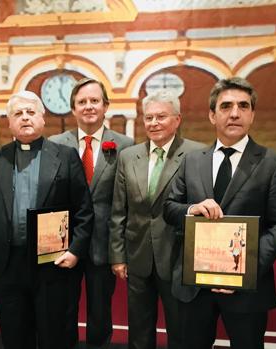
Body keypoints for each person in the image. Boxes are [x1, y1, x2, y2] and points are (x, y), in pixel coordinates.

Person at [163, 77, 276, 349]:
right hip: (194, 285)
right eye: (226, 106)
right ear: (213, 115)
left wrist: (243, 271)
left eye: (243, 106)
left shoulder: (273, 163)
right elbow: (169, 208)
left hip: (246, 288)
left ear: (252, 114)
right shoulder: (192, 160)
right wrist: (192, 209)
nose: (235, 113)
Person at [0, 90, 93, 349]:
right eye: (18, 114)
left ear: (43, 119)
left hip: (53, 262)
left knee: (56, 335)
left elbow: (84, 210)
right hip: (7, 264)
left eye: (31, 112)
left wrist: (75, 251)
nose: (25, 118)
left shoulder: (65, 156)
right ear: (9, 122)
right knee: (15, 335)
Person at [109, 89, 203, 349]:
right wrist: (117, 255)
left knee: (180, 330)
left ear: (177, 119)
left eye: (161, 117)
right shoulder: (129, 156)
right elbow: (119, 209)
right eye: (148, 117)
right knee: (139, 330)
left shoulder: (196, 154)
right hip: (137, 256)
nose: (153, 123)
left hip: (178, 258)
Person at [49, 78, 133, 349]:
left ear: (106, 106)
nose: (88, 107)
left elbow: (126, 201)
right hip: (65, 244)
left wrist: (121, 249)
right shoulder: (55, 143)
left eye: (94, 101)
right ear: (73, 109)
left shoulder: (125, 145)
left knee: (100, 312)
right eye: (81, 102)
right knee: (63, 310)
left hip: (103, 244)